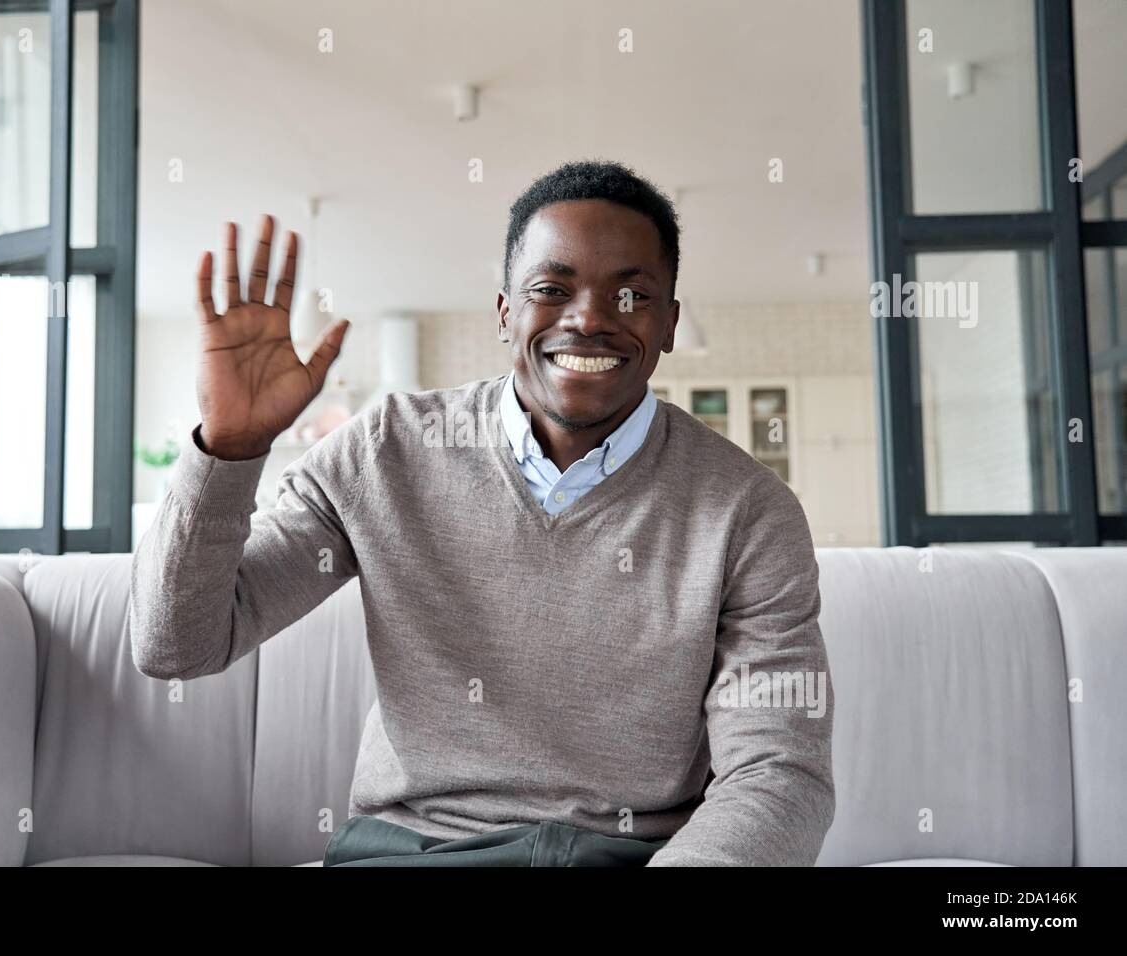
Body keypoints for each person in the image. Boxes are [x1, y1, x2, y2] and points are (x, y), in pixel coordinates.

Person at [131, 159, 835, 867]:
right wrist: (230, 448)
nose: (589, 317)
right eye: (551, 289)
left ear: (670, 322)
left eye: (631, 295)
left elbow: (778, 773)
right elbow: (175, 645)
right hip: (409, 854)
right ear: (506, 313)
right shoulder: (385, 452)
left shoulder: (749, 511)